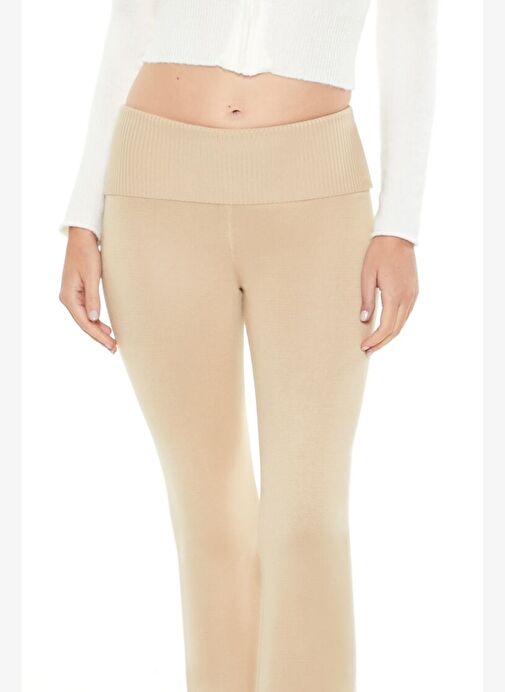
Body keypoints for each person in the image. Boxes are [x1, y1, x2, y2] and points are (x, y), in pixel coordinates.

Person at [58, 1, 438, 690]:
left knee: (307, 516)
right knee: (207, 514)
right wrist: (84, 216)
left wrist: (400, 224)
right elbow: (131, 23)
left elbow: (410, 24)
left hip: (316, 195)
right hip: (154, 187)